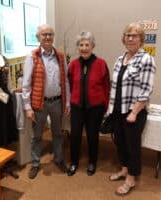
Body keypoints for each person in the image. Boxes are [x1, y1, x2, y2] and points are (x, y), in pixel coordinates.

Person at [107, 22, 156, 196]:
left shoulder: (146, 59)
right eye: (128, 35)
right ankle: (125, 169)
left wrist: (134, 112)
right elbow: (115, 86)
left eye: (134, 35)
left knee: (132, 146)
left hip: (133, 112)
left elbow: (146, 89)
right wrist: (111, 109)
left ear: (141, 39)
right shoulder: (121, 59)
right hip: (118, 110)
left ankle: (131, 179)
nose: (130, 38)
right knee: (120, 142)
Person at [22, 24, 70, 179]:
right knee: (37, 135)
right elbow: (26, 84)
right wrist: (27, 107)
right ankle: (35, 163)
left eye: (50, 34)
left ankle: (58, 158)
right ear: (38, 37)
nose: (48, 37)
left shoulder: (61, 56)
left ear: (53, 36)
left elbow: (66, 82)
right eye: (44, 34)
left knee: (57, 133)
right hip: (39, 104)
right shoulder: (32, 56)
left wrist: (67, 102)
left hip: (57, 102)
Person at [67, 31, 110, 176]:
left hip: (95, 108)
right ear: (78, 47)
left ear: (92, 46)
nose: (84, 48)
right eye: (81, 45)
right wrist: (72, 101)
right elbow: (70, 85)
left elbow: (106, 86)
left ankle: (92, 162)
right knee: (75, 136)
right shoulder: (73, 65)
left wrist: (105, 106)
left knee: (93, 136)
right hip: (77, 107)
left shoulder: (101, 64)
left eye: (87, 45)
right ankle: (74, 163)